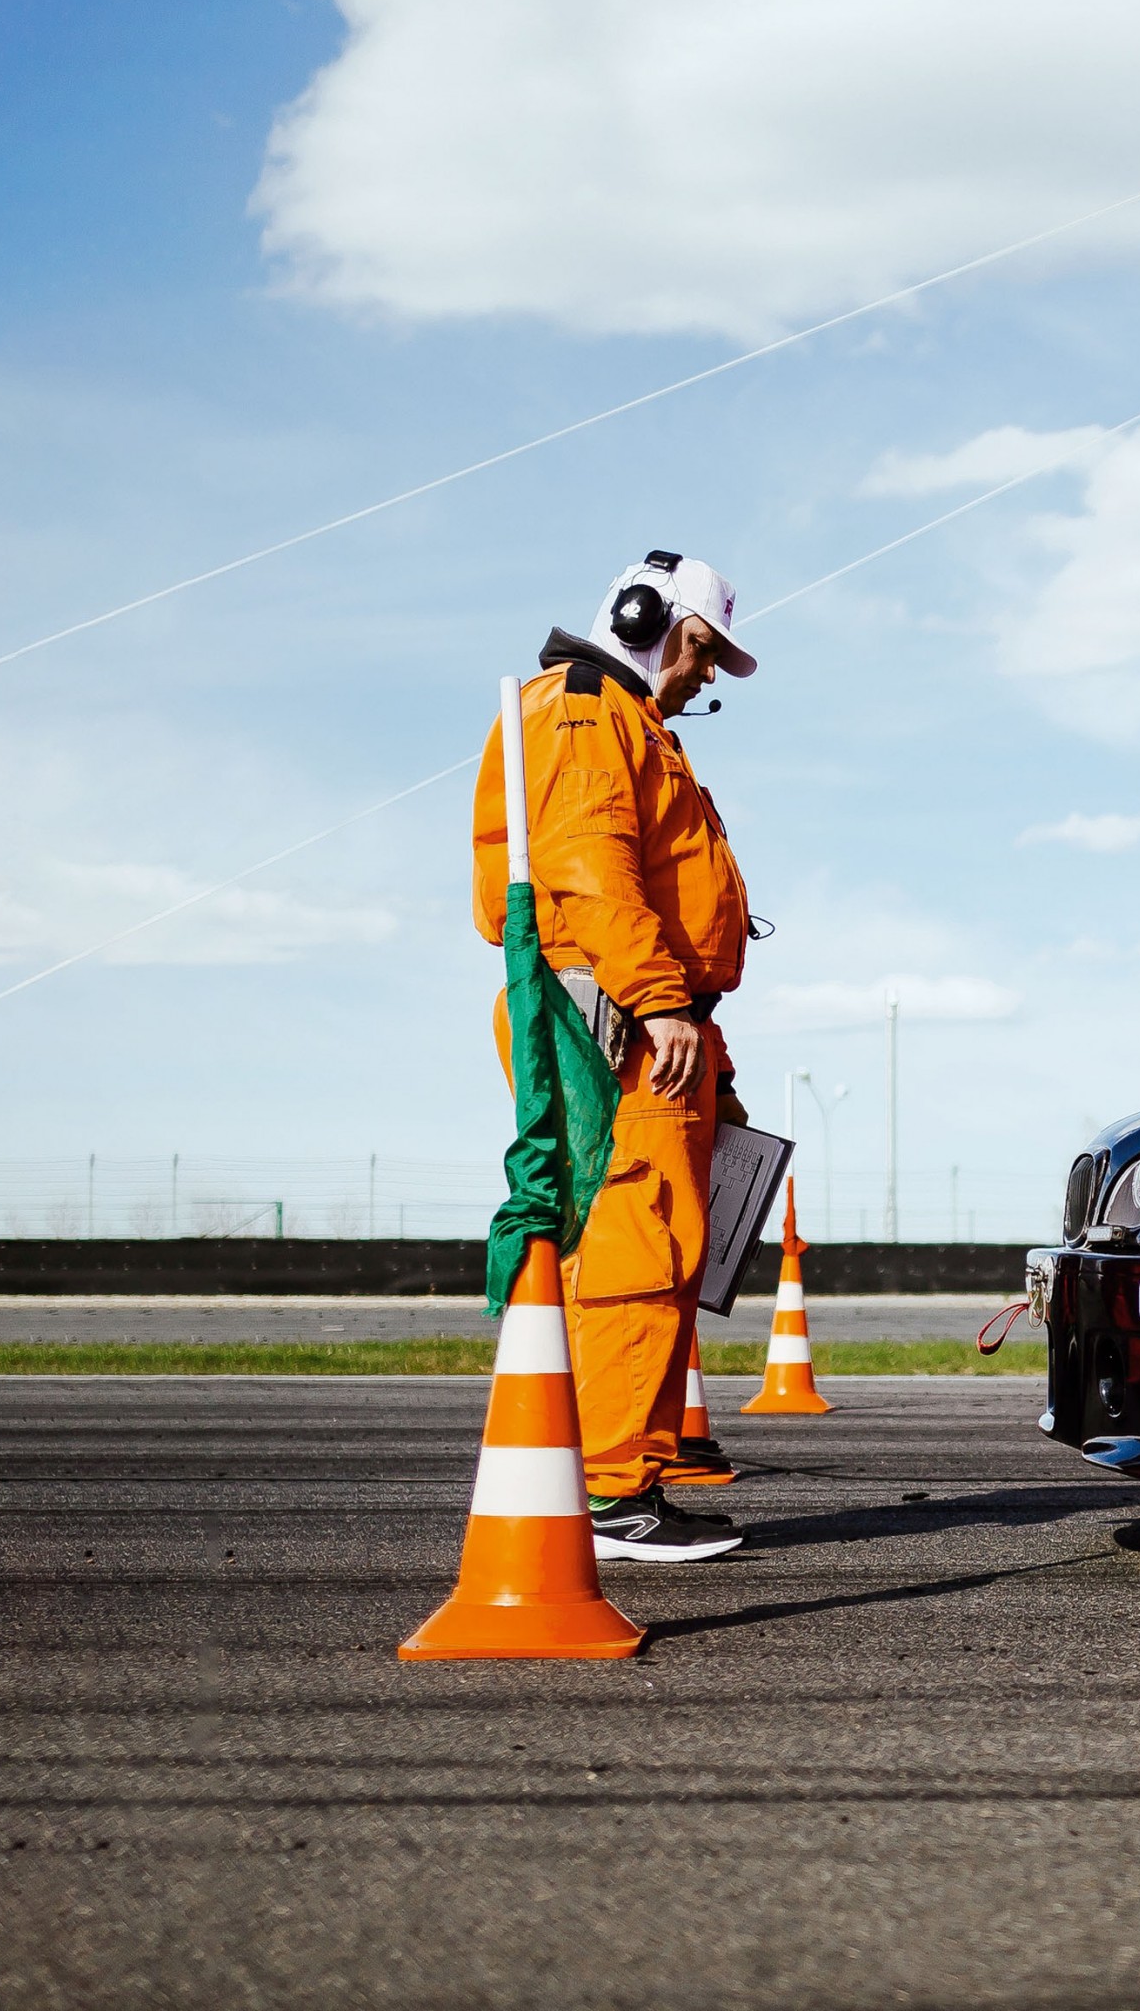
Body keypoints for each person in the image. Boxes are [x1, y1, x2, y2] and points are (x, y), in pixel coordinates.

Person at [472, 551, 757, 1562]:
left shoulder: (624, 720)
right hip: (628, 1014)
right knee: (635, 1240)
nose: (706, 673)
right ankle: (607, 1489)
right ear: (649, 620)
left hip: (656, 1016)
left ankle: (628, 1468)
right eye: (703, 649)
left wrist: (708, 1049)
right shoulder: (588, 709)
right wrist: (662, 1002)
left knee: (659, 1236)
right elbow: (589, 864)